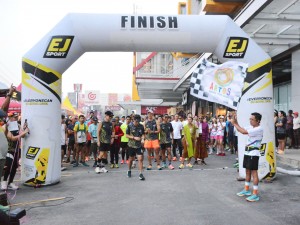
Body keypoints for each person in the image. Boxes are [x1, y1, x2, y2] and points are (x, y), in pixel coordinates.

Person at [232, 112, 263, 202]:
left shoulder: (259, 129)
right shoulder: (251, 127)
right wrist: (236, 121)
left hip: (254, 153)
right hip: (248, 152)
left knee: (254, 173)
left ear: (258, 121)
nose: (250, 121)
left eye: (252, 119)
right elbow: (240, 129)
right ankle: (246, 190)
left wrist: (234, 123)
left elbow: (243, 132)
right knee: (247, 171)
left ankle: (255, 194)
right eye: (250, 119)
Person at [1, 111, 29, 190]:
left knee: (15, 166)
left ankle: (10, 182)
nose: (16, 119)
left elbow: (22, 137)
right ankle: (4, 181)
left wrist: (24, 130)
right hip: (7, 149)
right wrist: (23, 133)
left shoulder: (18, 125)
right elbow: (12, 138)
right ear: (10, 118)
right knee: (8, 165)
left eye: (17, 117)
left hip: (16, 149)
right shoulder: (5, 127)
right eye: (15, 117)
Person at [126, 114, 145, 180]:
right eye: (136, 121)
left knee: (140, 159)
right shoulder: (129, 126)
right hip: (131, 145)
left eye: (138, 121)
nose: (137, 123)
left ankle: (140, 174)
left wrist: (142, 139)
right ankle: (129, 170)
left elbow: (143, 134)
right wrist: (134, 137)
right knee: (131, 159)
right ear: (133, 120)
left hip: (139, 145)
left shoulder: (141, 126)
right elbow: (127, 135)